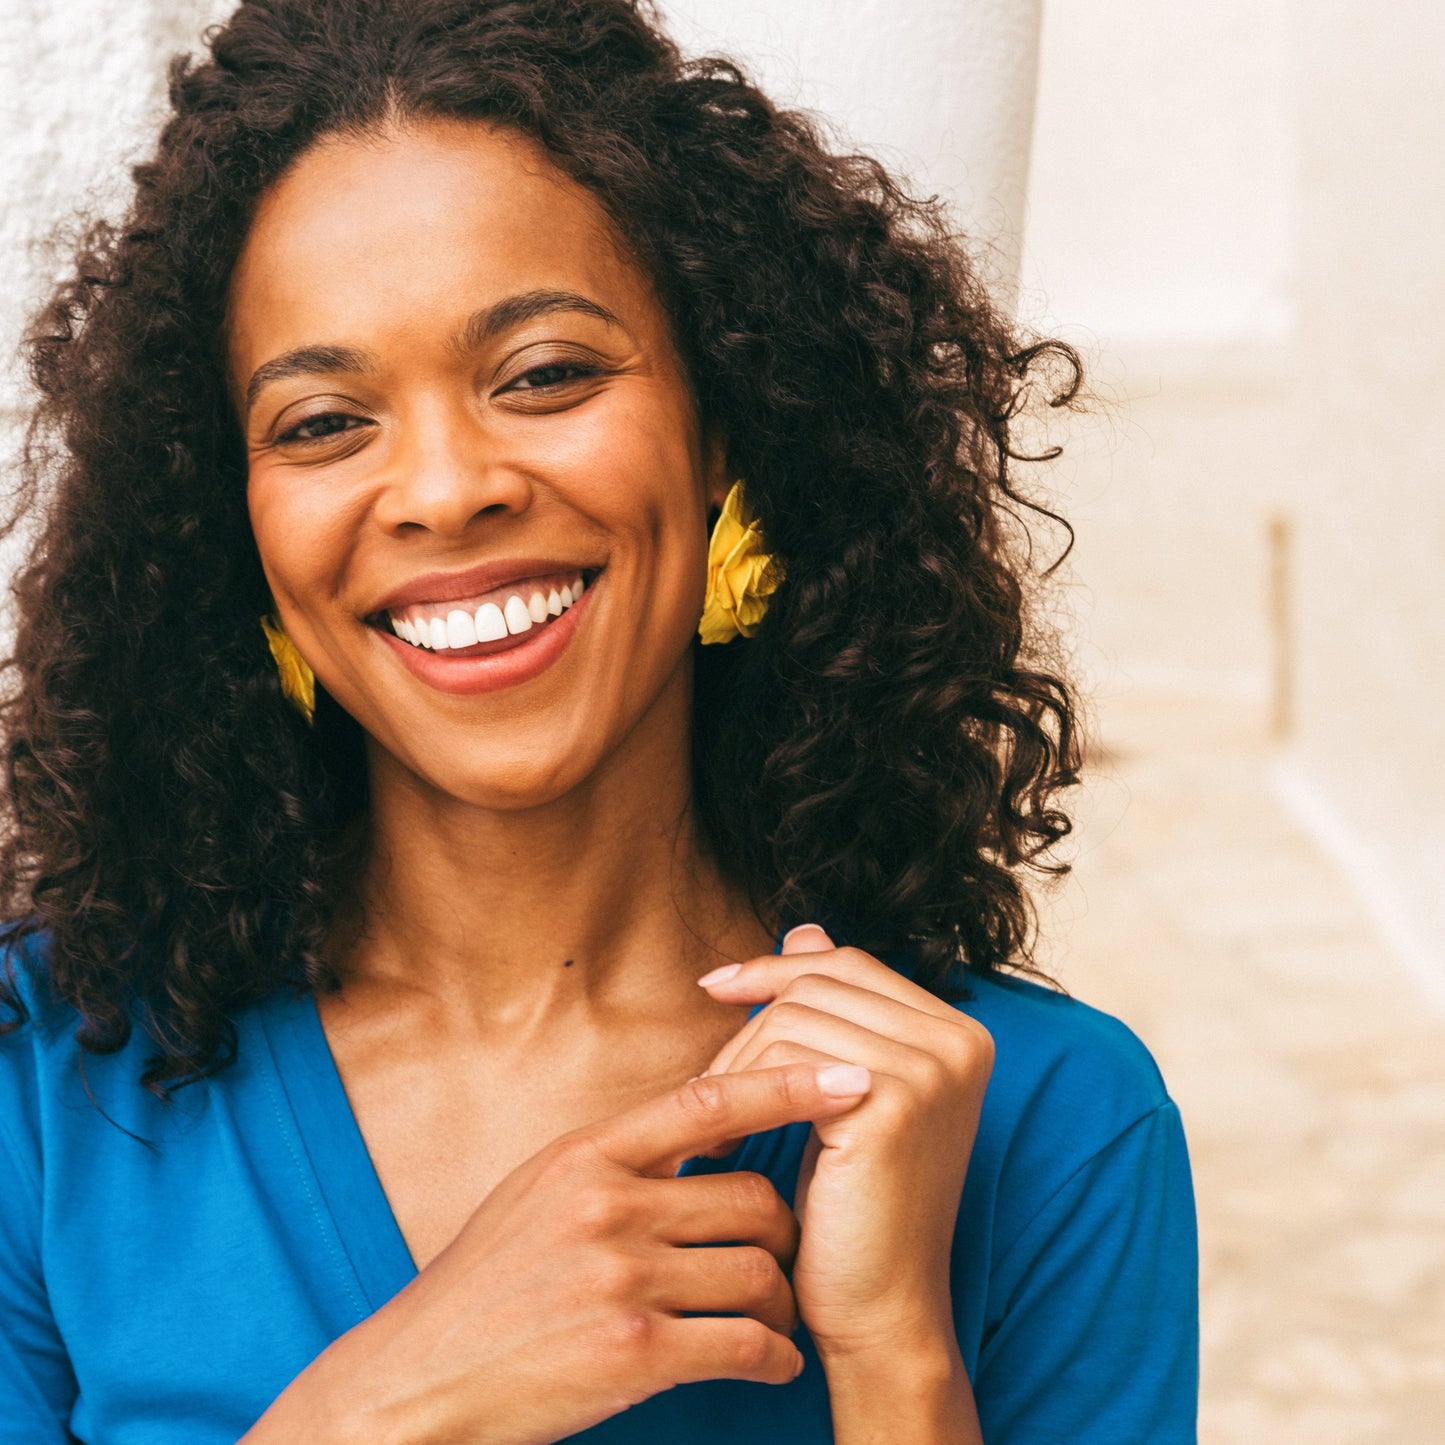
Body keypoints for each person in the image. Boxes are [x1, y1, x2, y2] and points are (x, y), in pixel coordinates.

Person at [0, 1, 1198, 1441]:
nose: (445, 489)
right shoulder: (47, 1085)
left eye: (547, 375)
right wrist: (393, 1402)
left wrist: (891, 1351)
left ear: (724, 427)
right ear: (229, 528)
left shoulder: (1037, 1123)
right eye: (321, 421)